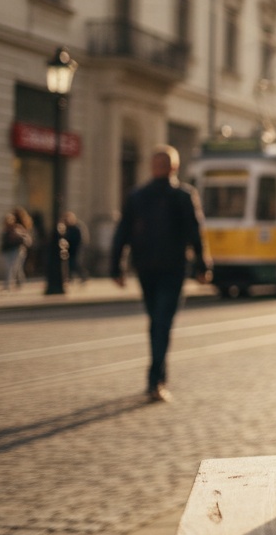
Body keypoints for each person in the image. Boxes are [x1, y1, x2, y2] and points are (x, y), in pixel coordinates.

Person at [111, 145, 211, 403]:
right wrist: (203, 266)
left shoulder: (138, 195)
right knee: (161, 322)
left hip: (147, 267)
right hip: (170, 268)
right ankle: (156, 379)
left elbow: (122, 232)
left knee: (157, 321)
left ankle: (156, 377)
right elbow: (195, 232)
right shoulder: (182, 195)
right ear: (174, 167)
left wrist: (117, 267)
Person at [0, 208, 34, 292]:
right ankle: (21, 282)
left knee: (12, 267)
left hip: (17, 250)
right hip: (8, 250)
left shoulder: (18, 228)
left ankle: (7, 285)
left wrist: (17, 236)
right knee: (17, 268)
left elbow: (26, 239)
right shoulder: (6, 229)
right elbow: (3, 241)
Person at [61, 211, 89, 284]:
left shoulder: (77, 227)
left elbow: (81, 239)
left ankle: (83, 276)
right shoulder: (67, 227)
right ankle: (70, 278)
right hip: (70, 249)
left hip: (77, 248)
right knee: (70, 264)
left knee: (76, 263)